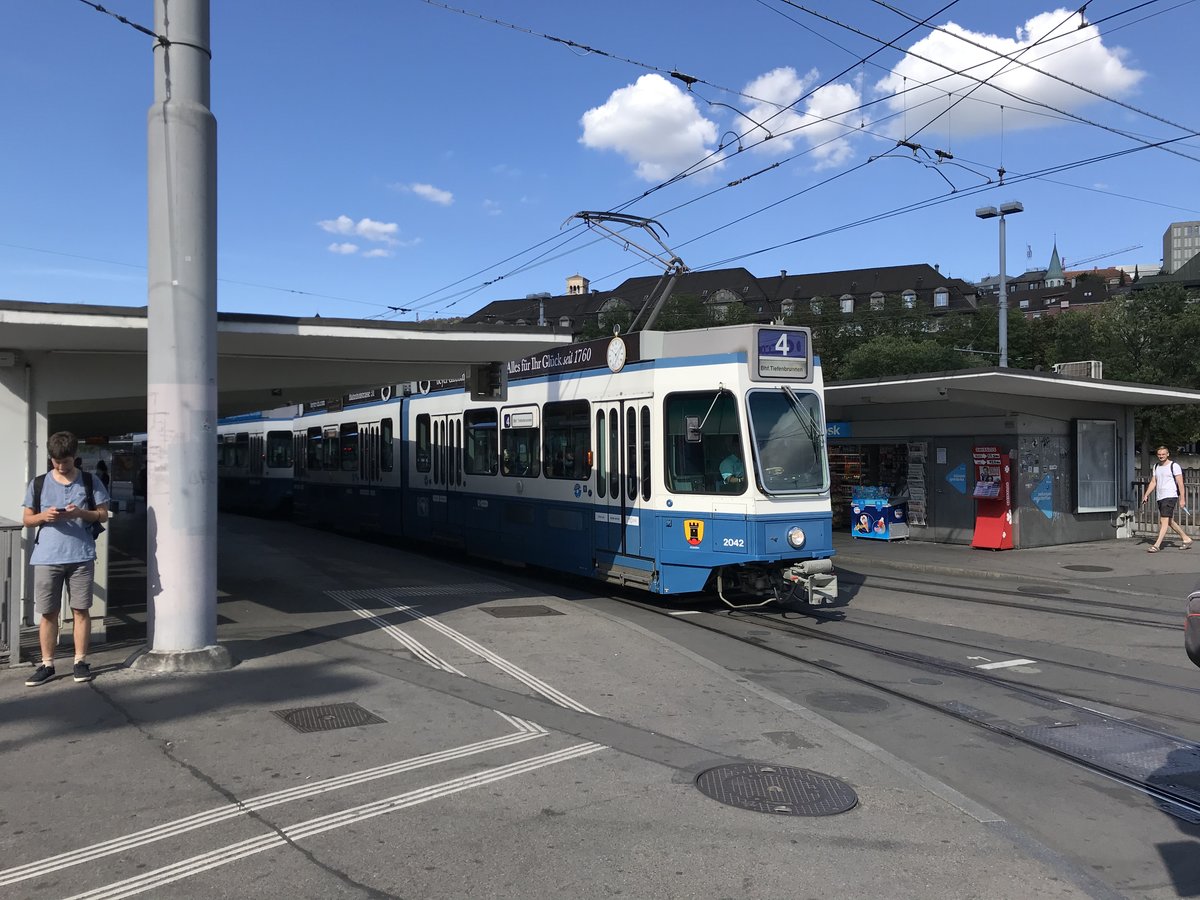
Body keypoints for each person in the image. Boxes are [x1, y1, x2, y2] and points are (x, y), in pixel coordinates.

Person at [21, 431, 110, 686]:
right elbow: (27, 519)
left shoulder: (90, 481)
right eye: (56, 462)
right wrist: (43, 516)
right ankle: (47, 664)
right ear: (51, 458)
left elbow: (103, 515)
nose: (61, 466)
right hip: (47, 556)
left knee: (81, 610)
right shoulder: (38, 483)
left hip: (81, 555)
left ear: (75, 456)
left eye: (66, 462)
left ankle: (80, 661)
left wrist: (81, 513)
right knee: (48, 612)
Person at [1141, 445, 1193, 553]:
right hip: (1160, 496)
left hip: (1170, 496)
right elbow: (1153, 482)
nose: (1161, 456)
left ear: (1168, 454)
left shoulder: (1174, 466)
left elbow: (1180, 484)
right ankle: (1186, 539)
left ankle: (1157, 545)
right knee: (1169, 521)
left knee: (1163, 520)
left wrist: (1182, 499)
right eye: (1159, 454)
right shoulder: (1156, 466)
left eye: (1163, 454)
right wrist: (1146, 494)